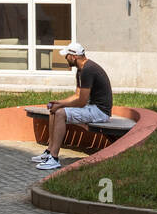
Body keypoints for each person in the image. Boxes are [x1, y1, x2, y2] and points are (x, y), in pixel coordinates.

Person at [32, 43, 112, 171]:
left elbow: (81, 101)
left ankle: (54, 159)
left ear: (74, 56)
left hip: (100, 111)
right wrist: (58, 103)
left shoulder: (88, 70)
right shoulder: (81, 70)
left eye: (67, 56)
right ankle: (49, 151)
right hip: (91, 108)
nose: (65, 58)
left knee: (60, 113)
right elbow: (77, 95)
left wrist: (61, 105)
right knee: (55, 110)